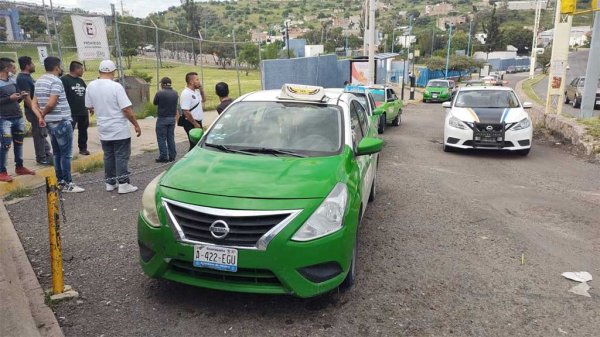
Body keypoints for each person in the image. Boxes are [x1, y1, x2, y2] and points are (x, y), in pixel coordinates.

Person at [85, 60, 141, 194]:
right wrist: (136, 124)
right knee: (121, 155)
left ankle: (110, 182)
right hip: (118, 127)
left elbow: (89, 105)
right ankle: (123, 183)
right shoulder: (116, 86)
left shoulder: (91, 85)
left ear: (100, 71)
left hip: (103, 127)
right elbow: (126, 109)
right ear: (113, 71)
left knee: (108, 155)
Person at [34, 57, 85, 193]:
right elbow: (52, 102)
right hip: (61, 121)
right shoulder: (56, 81)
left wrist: (41, 116)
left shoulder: (39, 81)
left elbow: (34, 102)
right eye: (60, 66)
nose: (61, 68)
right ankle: (68, 183)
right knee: (66, 155)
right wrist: (43, 114)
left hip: (50, 122)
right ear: (57, 67)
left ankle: (60, 181)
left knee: (57, 154)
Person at [0, 58, 38, 182]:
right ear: (6, 69)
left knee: (19, 143)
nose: (14, 69)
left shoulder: (12, 80)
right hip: (4, 119)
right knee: (5, 145)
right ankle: (2, 172)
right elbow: (7, 99)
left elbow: (17, 98)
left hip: (18, 116)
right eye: (12, 67)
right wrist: (9, 99)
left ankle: (20, 166)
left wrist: (21, 96)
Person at [17, 56, 53, 165]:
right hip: (33, 111)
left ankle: (46, 152)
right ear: (27, 65)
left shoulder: (27, 77)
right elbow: (26, 98)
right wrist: (37, 112)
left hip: (36, 110)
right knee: (38, 134)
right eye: (32, 63)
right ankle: (41, 157)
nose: (34, 65)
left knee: (42, 133)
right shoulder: (23, 78)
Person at [61, 61, 90, 155]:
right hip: (71, 112)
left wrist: (90, 106)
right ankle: (66, 150)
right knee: (68, 133)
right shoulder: (64, 80)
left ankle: (83, 148)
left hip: (83, 111)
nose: (83, 71)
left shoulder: (80, 80)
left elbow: (86, 94)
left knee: (83, 131)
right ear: (76, 69)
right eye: (81, 69)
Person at [153, 77, 178, 162]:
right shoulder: (175, 93)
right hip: (172, 118)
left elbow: (155, 102)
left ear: (163, 84)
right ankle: (172, 155)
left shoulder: (160, 93)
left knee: (161, 138)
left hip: (162, 118)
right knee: (170, 137)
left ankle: (163, 156)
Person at [179, 72, 205, 150]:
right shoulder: (186, 93)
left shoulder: (196, 92)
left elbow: (204, 100)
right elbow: (186, 111)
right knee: (195, 145)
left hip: (198, 122)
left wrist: (201, 89)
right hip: (191, 122)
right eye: (197, 80)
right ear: (191, 82)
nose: (199, 81)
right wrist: (195, 123)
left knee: (198, 144)